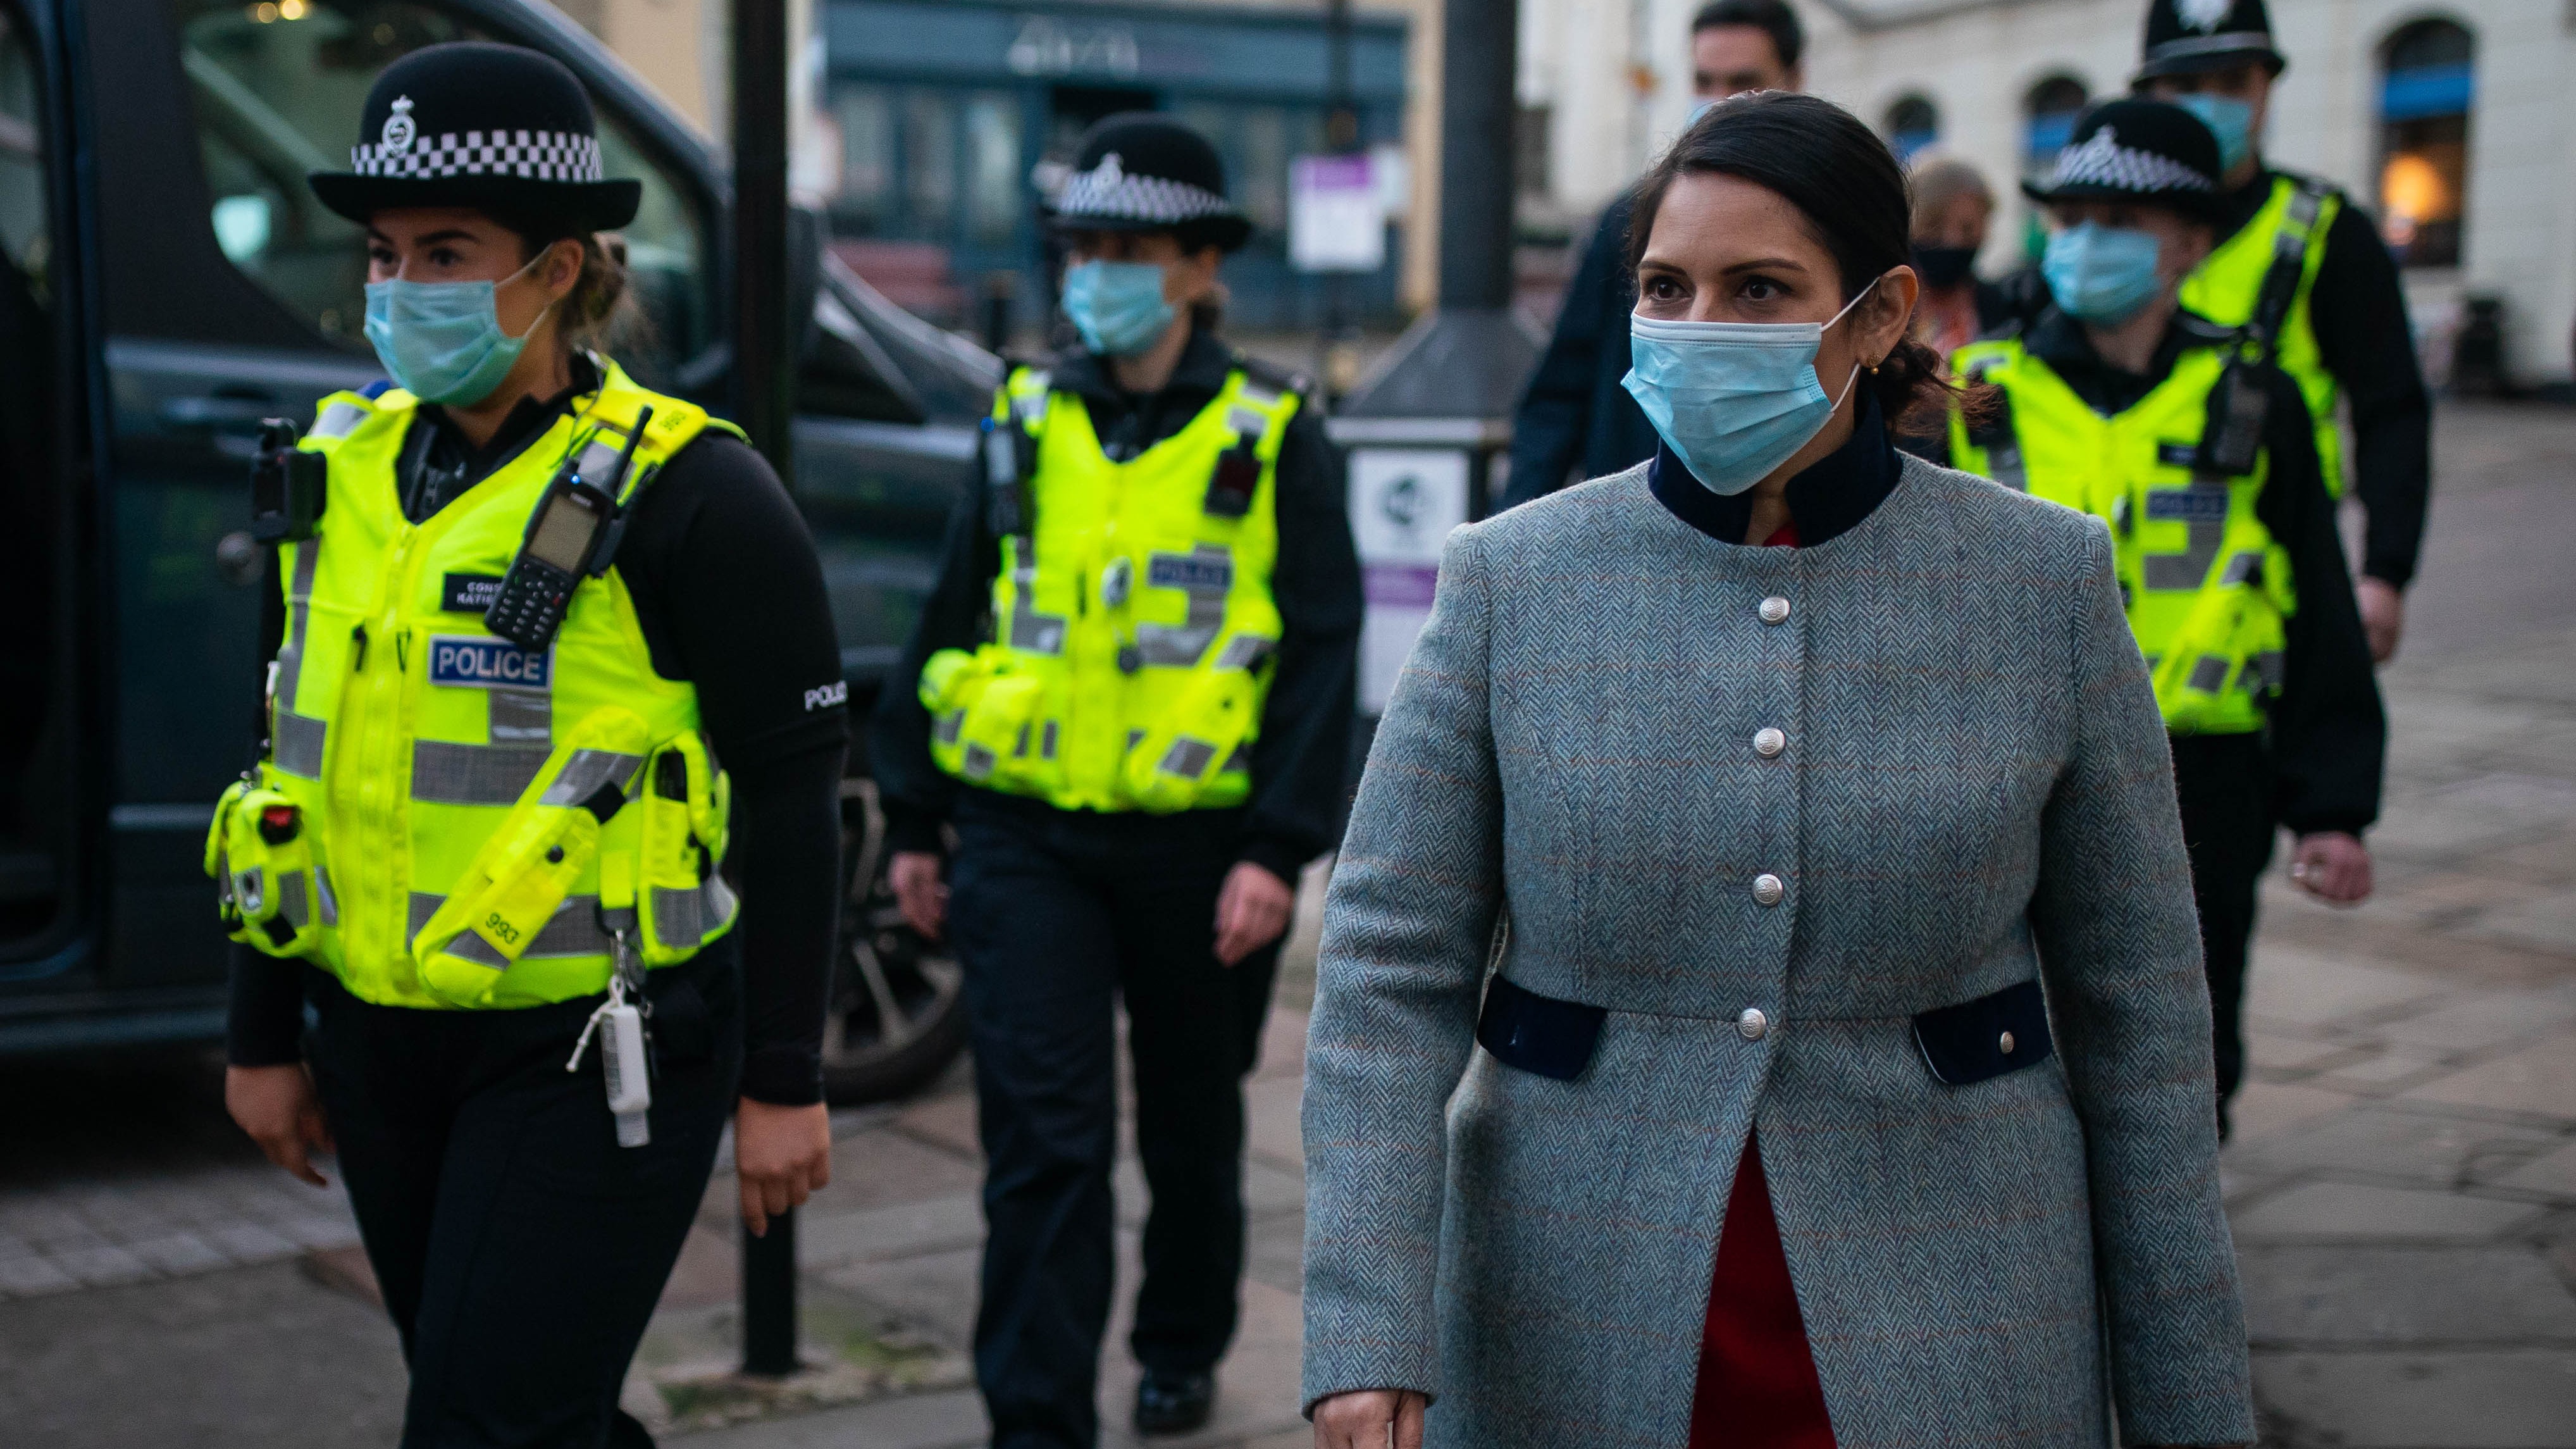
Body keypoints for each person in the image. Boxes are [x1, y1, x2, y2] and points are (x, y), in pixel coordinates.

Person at [1303, 91, 2253, 1449]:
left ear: (1876, 316)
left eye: (1757, 289)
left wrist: (2187, 1406)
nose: (1697, 326)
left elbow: (2141, 1020)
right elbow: (1386, 973)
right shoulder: (1513, 580)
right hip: (1572, 1296)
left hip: (1957, 1296)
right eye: (1664, 287)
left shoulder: (2040, 582)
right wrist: (1366, 1324)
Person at [216, 42, 845, 1448]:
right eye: (383, 254)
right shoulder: (332, 470)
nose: (401, 289)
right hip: (375, 1043)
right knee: (514, 1408)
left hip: (595, 1047)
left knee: (485, 1419)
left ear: (558, 270)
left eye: (447, 253)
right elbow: (279, 765)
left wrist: (785, 1077)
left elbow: (797, 801)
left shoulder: (694, 490)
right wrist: (261, 1033)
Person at [871, 114, 1362, 1446]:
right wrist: (913, 811)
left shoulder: (1272, 429)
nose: (1096, 273)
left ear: (1202, 266)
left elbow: (1320, 650)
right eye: (1082, 246)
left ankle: (1179, 1342)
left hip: (1202, 851)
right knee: (1044, 1139)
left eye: (1129, 250)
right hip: (1023, 835)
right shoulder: (1023, 416)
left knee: (1193, 1128)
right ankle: (1035, 1420)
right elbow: (956, 608)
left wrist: (1276, 847)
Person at [1948, 99, 2384, 1134]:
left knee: (2189, 1014)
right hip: (2007, 755)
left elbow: (2316, 601)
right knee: (2007, 1016)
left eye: (2121, 223)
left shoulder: (2254, 400)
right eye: (2070, 218)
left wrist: (2332, 804)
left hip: (2202, 768)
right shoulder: (1977, 391)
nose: (2085, 242)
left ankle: (2181, 1191)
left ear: (2190, 245)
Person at [2132, 0, 2430, 662]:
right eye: (2186, 85)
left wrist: (2385, 570)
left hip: (2282, 563)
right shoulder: (2101, 243)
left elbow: (2391, 408)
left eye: (2233, 83)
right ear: (2148, 93)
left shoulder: (2327, 233)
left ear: (2268, 87)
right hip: (2122, 577)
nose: (2210, 104)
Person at [1499, 0, 1805, 509]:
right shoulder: (1633, 219)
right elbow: (1561, 392)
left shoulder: (1833, 219)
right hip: (1643, 508)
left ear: (1793, 80)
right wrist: (1515, 529)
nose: (1720, 101)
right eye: (1704, 81)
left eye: (1743, 82)